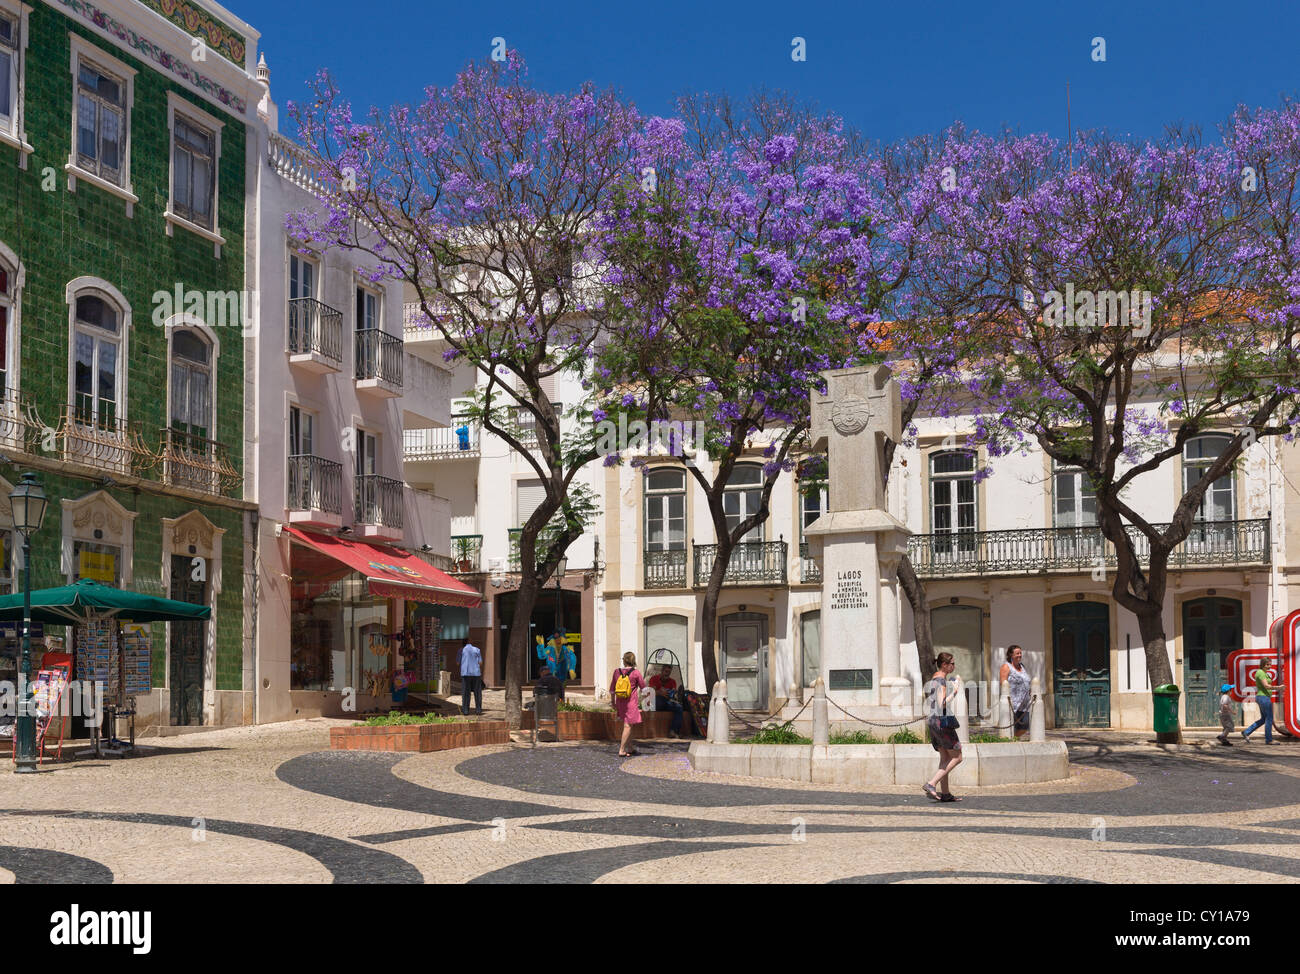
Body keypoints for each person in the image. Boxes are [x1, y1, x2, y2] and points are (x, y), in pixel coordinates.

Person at [923, 652, 964, 802]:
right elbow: (942, 704)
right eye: (952, 663)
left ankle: (945, 793)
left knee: (945, 757)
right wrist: (955, 691)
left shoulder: (934, 677)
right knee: (958, 756)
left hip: (933, 721)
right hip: (941, 722)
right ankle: (932, 783)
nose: (954, 666)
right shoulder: (942, 681)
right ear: (945, 665)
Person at [609, 651, 646, 757]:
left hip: (620, 701)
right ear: (634, 661)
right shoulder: (636, 673)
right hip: (631, 702)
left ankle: (630, 748)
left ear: (624, 661)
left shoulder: (617, 672)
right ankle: (621, 749)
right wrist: (645, 703)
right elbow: (644, 688)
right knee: (628, 726)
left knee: (629, 725)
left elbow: (612, 689)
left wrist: (613, 702)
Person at [999, 645, 1032, 738]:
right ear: (1011, 655)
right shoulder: (1006, 667)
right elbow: (1003, 684)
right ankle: (1011, 740)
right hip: (1012, 704)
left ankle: (1015, 739)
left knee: (1025, 725)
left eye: (1020, 653)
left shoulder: (1022, 666)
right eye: (1017, 653)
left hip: (1024, 705)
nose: (1020, 655)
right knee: (1012, 726)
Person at [1243, 665, 1278, 745]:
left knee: (1264, 719)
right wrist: (1278, 688)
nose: (1269, 666)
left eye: (1270, 664)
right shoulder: (1261, 672)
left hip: (1263, 697)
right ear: (1263, 664)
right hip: (1264, 697)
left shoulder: (1265, 673)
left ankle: (1246, 732)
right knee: (1269, 718)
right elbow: (1266, 686)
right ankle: (1269, 740)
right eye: (1267, 664)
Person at [649, 663, 685, 738]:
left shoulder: (672, 681)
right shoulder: (654, 679)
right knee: (659, 700)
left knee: (679, 707)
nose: (667, 674)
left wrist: (671, 694)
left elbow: (672, 694)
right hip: (656, 702)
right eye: (666, 671)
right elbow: (650, 693)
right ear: (662, 671)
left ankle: (673, 731)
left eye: (669, 672)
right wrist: (660, 693)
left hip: (667, 702)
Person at [459, 639, 483, 716]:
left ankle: (466, 710)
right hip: (476, 674)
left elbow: (457, 662)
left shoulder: (461, 650)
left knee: (466, 693)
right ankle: (478, 710)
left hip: (466, 674)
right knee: (477, 692)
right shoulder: (477, 649)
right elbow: (480, 662)